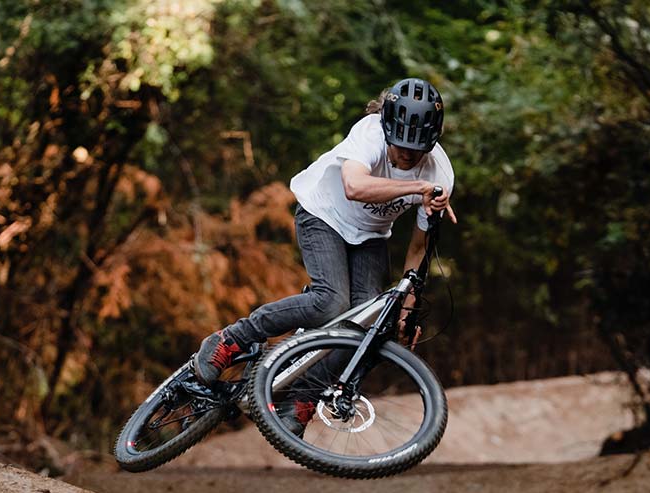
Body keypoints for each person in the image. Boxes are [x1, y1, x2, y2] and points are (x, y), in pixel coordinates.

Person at [191, 77, 456, 434]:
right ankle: (229, 340)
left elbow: (418, 248)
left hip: (370, 235)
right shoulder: (370, 132)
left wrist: (406, 312)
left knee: (370, 327)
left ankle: (303, 396)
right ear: (387, 128)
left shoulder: (440, 174)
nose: (407, 155)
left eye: (417, 148)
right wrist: (417, 187)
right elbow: (354, 186)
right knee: (330, 303)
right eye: (400, 146)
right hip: (324, 214)